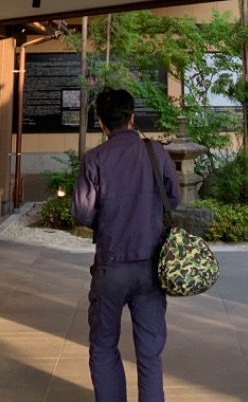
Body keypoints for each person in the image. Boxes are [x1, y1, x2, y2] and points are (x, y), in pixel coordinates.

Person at [72, 87, 181, 402]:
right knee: (150, 353)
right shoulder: (155, 152)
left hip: (110, 266)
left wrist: (105, 220)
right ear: (132, 118)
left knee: (104, 346)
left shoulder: (94, 159)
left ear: (102, 123)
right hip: (150, 267)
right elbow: (173, 198)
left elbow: (81, 212)